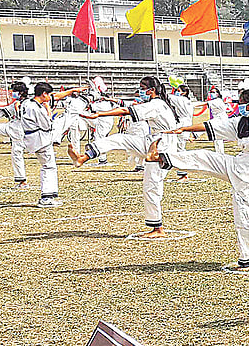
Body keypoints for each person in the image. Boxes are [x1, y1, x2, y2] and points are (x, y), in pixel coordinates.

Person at [147, 88, 249, 269]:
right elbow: (213, 127)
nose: (238, 106)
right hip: (240, 163)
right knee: (203, 157)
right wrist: (184, 128)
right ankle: (161, 157)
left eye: (241, 103)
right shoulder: (241, 122)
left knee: (244, 214)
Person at [67, 76, 188, 238]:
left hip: (163, 146)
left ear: (151, 90)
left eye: (142, 88)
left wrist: (99, 115)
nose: (140, 91)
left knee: (151, 186)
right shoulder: (158, 103)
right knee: (119, 138)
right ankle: (84, 157)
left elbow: (127, 111)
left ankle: (157, 228)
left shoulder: (156, 105)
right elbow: (128, 105)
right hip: (154, 140)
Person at [22, 82, 84, 207]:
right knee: (49, 166)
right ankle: (46, 197)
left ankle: (48, 196)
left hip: (32, 138)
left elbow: (56, 97)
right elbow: (47, 125)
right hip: (40, 139)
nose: (50, 97)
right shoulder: (38, 109)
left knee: (48, 165)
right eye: (49, 94)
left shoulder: (27, 103)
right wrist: (49, 113)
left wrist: (72, 90)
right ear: (44, 94)